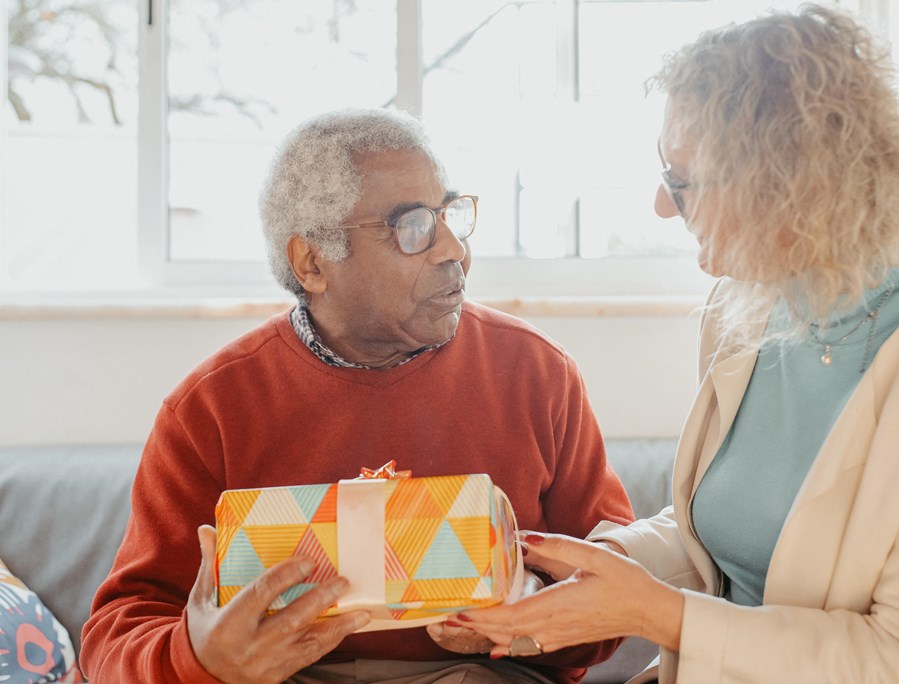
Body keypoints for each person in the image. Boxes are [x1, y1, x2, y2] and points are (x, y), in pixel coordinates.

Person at [457, 5, 899, 682]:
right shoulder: (746, 307)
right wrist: (570, 576)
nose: (664, 208)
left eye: (681, 182)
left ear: (789, 187)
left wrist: (656, 615)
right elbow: (715, 537)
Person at [79, 108, 634, 684]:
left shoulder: (537, 372)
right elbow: (117, 632)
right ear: (313, 262)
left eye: (450, 216)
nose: (455, 251)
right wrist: (201, 660)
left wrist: (532, 612)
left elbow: (620, 578)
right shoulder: (210, 408)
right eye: (412, 226)